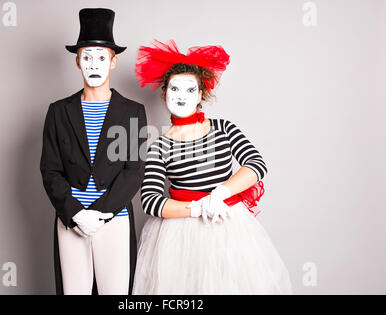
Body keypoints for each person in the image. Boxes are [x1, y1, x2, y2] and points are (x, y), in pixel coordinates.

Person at [131, 39, 292, 294]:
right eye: (174, 89)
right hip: (178, 237)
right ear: (164, 93)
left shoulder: (224, 128)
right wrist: (196, 208)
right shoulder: (158, 145)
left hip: (228, 227)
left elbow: (256, 164)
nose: (181, 96)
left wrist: (220, 194)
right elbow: (150, 201)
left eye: (189, 90)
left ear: (200, 95)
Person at [40, 8, 147, 295]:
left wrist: (98, 213)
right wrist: (77, 214)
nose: (94, 64)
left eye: (101, 57)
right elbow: (50, 171)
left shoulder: (131, 112)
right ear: (78, 62)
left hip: (113, 219)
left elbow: (133, 171)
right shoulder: (58, 112)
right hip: (71, 220)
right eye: (87, 57)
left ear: (113, 62)